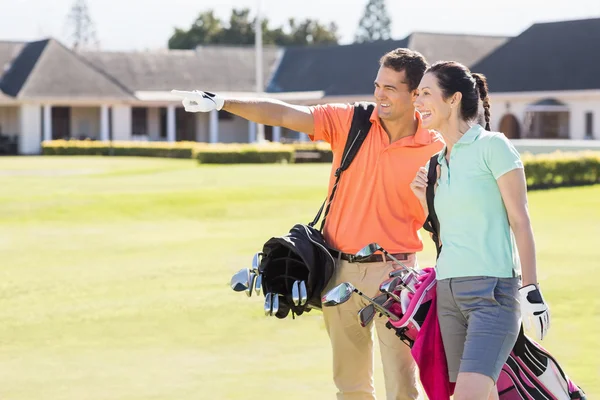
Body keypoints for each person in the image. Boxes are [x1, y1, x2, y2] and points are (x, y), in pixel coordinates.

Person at [173, 48, 444, 400]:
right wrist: (223, 102)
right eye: (378, 85)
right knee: (351, 387)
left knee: (404, 387)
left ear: (415, 93)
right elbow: (285, 114)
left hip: (399, 274)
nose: (380, 94)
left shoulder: (435, 146)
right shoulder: (352, 121)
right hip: (339, 272)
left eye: (391, 88)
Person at [409, 61, 551, 400]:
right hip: (449, 295)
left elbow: (521, 220)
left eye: (426, 93)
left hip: (492, 294)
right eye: (417, 94)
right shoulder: (436, 163)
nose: (417, 102)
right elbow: (450, 232)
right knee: (484, 395)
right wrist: (424, 197)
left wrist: (530, 289)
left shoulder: (494, 147)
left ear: (454, 99)